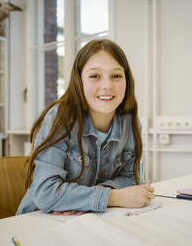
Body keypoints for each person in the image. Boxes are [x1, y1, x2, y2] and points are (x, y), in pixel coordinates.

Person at [17, 39, 155, 216]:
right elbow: (46, 193)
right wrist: (112, 197)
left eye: (116, 76)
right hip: (40, 218)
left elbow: (129, 178)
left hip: (91, 218)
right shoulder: (60, 117)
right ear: (79, 80)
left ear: (127, 79)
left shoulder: (131, 122)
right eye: (95, 76)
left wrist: (85, 200)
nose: (107, 86)